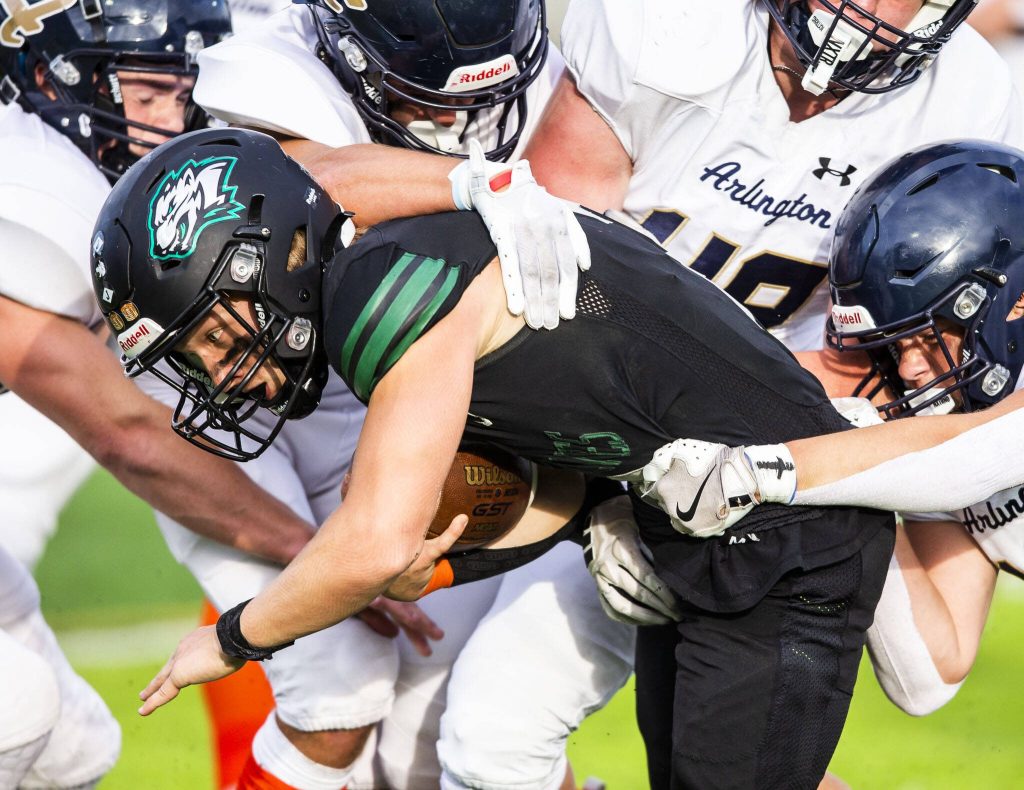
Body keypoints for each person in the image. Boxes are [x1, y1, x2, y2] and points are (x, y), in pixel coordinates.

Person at [97, 127, 895, 790]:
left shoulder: (384, 291)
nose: (217, 375)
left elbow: (371, 538)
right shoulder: (387, 260)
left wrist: (232, 640)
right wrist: (443, 567)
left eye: (211, 340)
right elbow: (559, 486)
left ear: (256, 264)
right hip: (697, 532)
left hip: (787, 537)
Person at [182, 3, 643, 787]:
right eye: (423, 94)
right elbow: (309, 181)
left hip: (402, 394)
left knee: (436, 741)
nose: (455, 118)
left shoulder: (545, 83)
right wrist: (475, 180)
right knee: (336, 690)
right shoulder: (271, 65)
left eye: (478, 97)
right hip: (247, 403)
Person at [0, 3, 436, 787]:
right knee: (21, 710)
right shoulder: (29, 197)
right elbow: (129, 433)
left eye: (186, 89)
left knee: (74, 753)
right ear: (48, 81)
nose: (180, 118)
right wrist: (324, 564)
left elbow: (322, 178)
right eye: (149, 92)